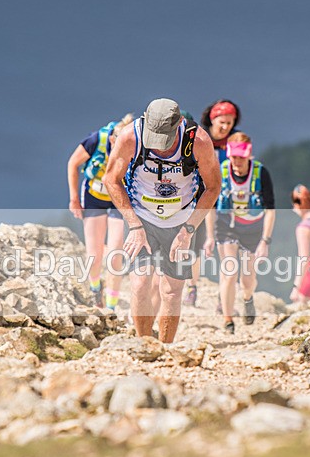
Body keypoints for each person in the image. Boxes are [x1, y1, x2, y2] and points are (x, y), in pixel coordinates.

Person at [103, 98, 221, 343]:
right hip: (142, 217)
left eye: (165, 142)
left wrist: (188, 231)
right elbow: (111, 180)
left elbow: (213, 187)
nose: (160, 149)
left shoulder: (198, 141)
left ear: (179, 124)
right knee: (140, 284)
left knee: (171, 290)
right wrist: (134, 225)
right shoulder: (130, 137)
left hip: (182, 219)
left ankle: (166, 348)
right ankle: (144, 344)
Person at [205, 132, 275, 334]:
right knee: (229, 271)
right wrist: (210, 236)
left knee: (248, 277)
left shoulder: (261, 173)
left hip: (253, 228)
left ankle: (247, 297)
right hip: (227, 225)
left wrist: (265, 241)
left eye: (240, 157)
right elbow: (210, 204)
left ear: (248, 154)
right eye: (233, 156)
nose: (236, 161)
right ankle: (228, 320)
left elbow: (270, 209)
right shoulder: (221, 171)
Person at [67, 114, 134, 310]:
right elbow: (73, 163)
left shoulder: (136, 147)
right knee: (94, 253)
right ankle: (96, 289)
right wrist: (74, 199)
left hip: (118, 199)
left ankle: (111, 307)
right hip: (93, 196)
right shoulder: (97, 140)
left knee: (115, 254)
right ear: (113, 139)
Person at [183, 99, 242, 307]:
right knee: (195, 245)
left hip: (226, 201)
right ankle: (192, 287)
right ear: (212, 119)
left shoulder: (235, 141)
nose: (225, 127)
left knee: (225, 248)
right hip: (199, 196)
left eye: (230, 122)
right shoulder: (200, 136)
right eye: (222, 122)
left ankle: (223, 295)